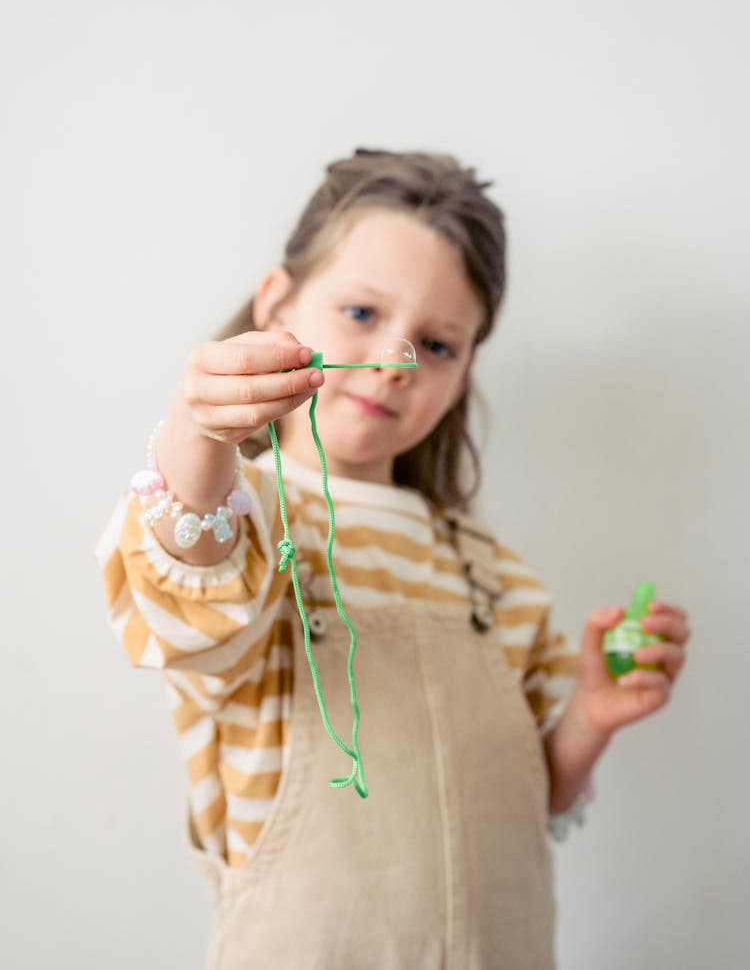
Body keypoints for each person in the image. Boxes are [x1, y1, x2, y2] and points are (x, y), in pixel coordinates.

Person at [96, 149, 689, 970]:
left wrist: (589, 713)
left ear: (464, 372)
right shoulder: (248, 516)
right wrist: (198, 437)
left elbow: (528, 794)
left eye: (439, 345)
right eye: (362, 313)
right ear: (278, 302)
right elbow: (188, 592)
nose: (393, 362)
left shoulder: (493, 575)